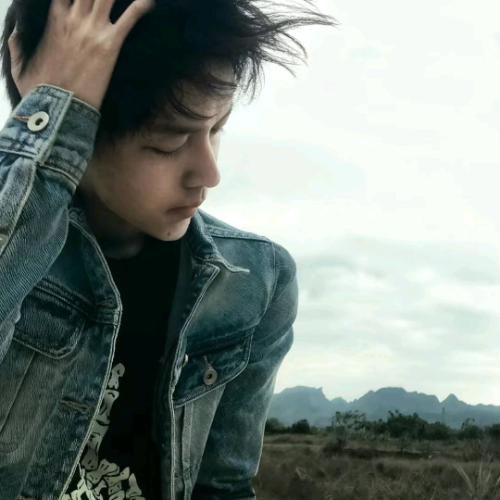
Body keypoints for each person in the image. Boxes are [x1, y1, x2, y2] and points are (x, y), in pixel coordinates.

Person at [0, 0, 338, 498]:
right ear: (73, 132)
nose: (209, 174)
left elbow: (221, 487)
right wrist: (52, 108)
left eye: (217, 128)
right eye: (168, 144)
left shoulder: (255, 279)